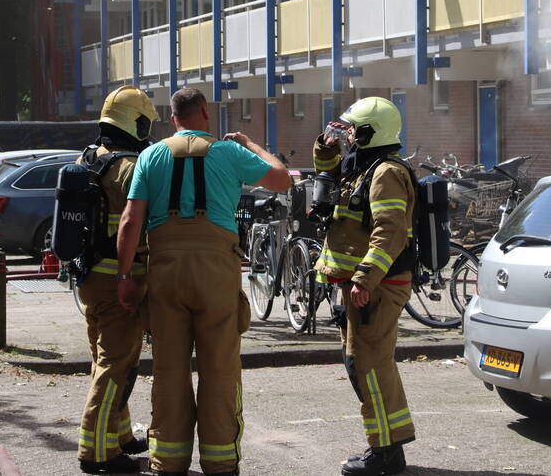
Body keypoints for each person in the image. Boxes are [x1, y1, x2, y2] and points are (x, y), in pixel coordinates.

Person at [115, 87, 291, 476]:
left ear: (172, 118)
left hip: (166, 273)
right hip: (216, 272)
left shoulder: (151, 155)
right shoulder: (229, 152)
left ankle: (168, 462)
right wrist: (251, 143)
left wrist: (125, 277)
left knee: (169, 370)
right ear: (205, 113)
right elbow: (282, 180)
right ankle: (221, 463)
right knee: (219, 369)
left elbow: (130, 222)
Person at [313, 96, 416, 476]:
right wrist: (325, 148)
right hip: (363, 285)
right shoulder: (365, 167)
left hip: (377, 285)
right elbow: (330, 174)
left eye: (355, 130)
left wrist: (365, 279)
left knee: (370, 366)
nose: (350, 135)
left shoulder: (386, 172)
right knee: (365, 365)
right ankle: (389, 445)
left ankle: (386, 453)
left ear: (371, 132)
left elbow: (390, 232)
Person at [76, 85, 158, 475]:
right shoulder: (127, 167)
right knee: (116, 366)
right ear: (136, 122)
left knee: (106, 360)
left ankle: (120, 435)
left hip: (91, 279)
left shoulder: (90, 156)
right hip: (118, 283)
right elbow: (143, 218)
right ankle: (96, 452)